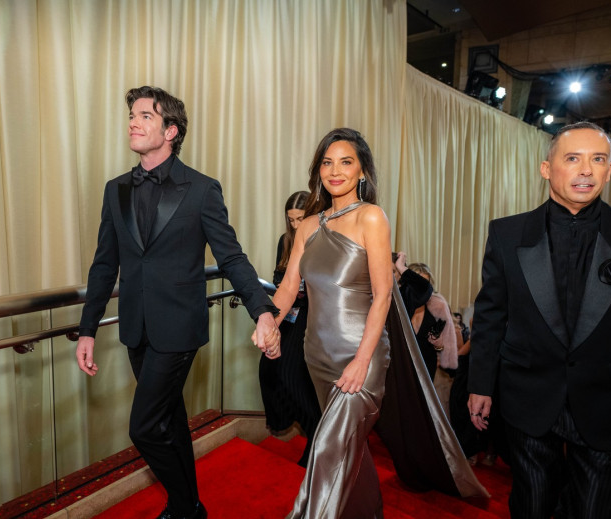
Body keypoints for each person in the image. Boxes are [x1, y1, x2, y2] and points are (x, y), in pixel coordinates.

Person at [75, 86, 280, 519]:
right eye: (132, 114)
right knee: (168, 421)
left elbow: (231, 256)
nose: (133, 121)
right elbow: (103, 264)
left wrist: (262, 309)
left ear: (170, 130)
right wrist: (88, 329)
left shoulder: (202, 190)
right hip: (136, 328)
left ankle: (187, 507)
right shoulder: (115, 191)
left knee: (144, 428)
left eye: (145, 115)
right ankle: (186, 505)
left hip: (179, 329)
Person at [468, 121, 611, 518]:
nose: (586, 170)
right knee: (531, 506)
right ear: (546, 168)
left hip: (608, 403)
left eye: (598, 159)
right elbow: (491, 316)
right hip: (528, 395)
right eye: (573, 159)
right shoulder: (507, 233)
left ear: (609, 170)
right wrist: (480, 384)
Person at [267, 127, 393, 517]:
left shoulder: (371, 217)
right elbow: (289, 287)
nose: (335, 171)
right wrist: (269, 322)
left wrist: (361, 360)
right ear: (318, 169)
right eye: (327, 162)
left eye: (346, 161)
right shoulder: (308, 225)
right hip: (316, 355)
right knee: (348, 447)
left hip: (361, 355)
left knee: (326, 448)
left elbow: (383, 295)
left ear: (362, 171)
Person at [258, 190, 321, 468]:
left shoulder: (320, 239)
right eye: (291, 219)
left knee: (291, 373)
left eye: (300, 219)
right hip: (289, 311)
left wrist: (301, 289)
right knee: (267, 368)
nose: (295, 225)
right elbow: (277, 276)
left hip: (312, 315)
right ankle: (286, 421)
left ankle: (316, 435)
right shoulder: (286, 240)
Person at [407, 262, 457, 381]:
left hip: (427, 366)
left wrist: (439, 347)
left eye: (425, 284)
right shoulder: (400, 306)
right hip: (402, 364)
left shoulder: (438, 308)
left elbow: (444, 344)